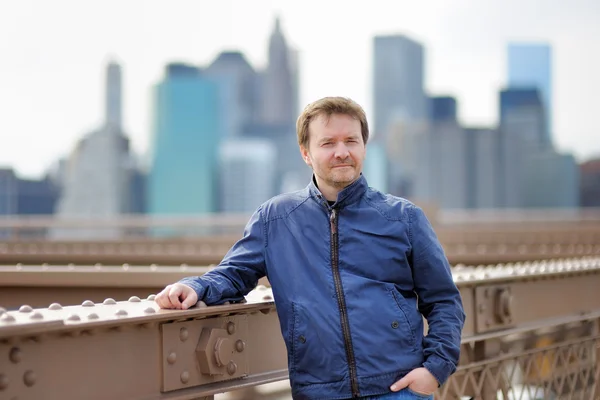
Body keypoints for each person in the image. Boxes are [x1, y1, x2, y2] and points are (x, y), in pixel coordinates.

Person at [156, 97, 465, 400]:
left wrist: (434, 371)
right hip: (319, 393)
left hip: (398, 391)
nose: (342, 152)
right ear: (306, 153)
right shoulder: (275, 219)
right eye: (328, 143)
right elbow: (234, 273)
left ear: (364, 147)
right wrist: (194, 287)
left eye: (351, 141)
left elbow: (443, 301)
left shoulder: (404, 218)